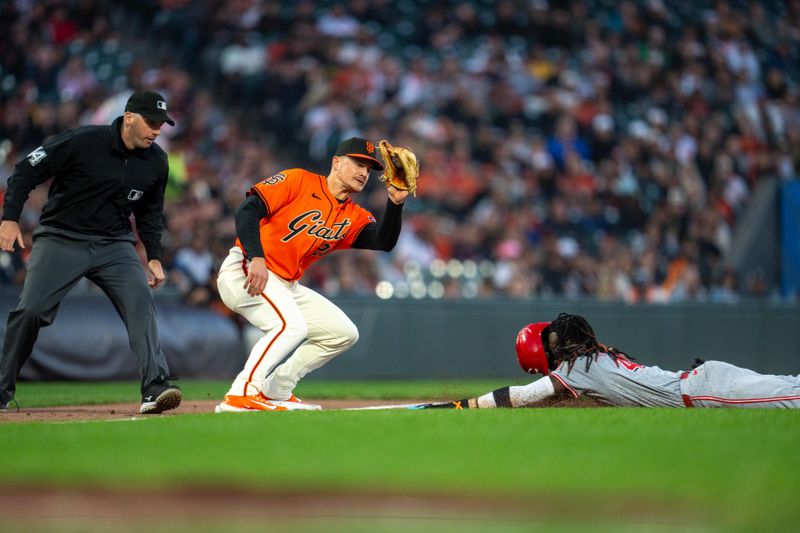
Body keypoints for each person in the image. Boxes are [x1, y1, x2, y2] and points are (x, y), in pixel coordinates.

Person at [0, 91, 182, 414]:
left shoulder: (156, 161)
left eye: (161, 124)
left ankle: (154, 387)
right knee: (30, 311)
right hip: (61, 237)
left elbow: (150, 214)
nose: (157, 131)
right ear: (129, 118)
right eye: (151, 123)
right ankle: (1, 389)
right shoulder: (83, 141)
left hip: (114, 244)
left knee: (140, 300)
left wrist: (153, 255)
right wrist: (10, 218)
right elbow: (26, 169)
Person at [215, 137, 409, 412]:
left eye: (369, 169)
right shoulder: (299, 181)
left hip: (285, 284)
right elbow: (247, 210)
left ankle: (276, 389)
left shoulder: (352, 214)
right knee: (291, 326)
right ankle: (241, 393)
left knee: (342, 333)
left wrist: (395, 203)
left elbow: (383, 241)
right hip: (247, 269)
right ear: (337, 162)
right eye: (359, 164)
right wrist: (254, 255)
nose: (364, 173)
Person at [419, 313, 800, 409]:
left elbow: (521, 395)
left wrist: (463, 404)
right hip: (704, 381)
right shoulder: (592, 361)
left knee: (790, 398)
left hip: (707, 391)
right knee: (789, 385)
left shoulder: (578, 370)